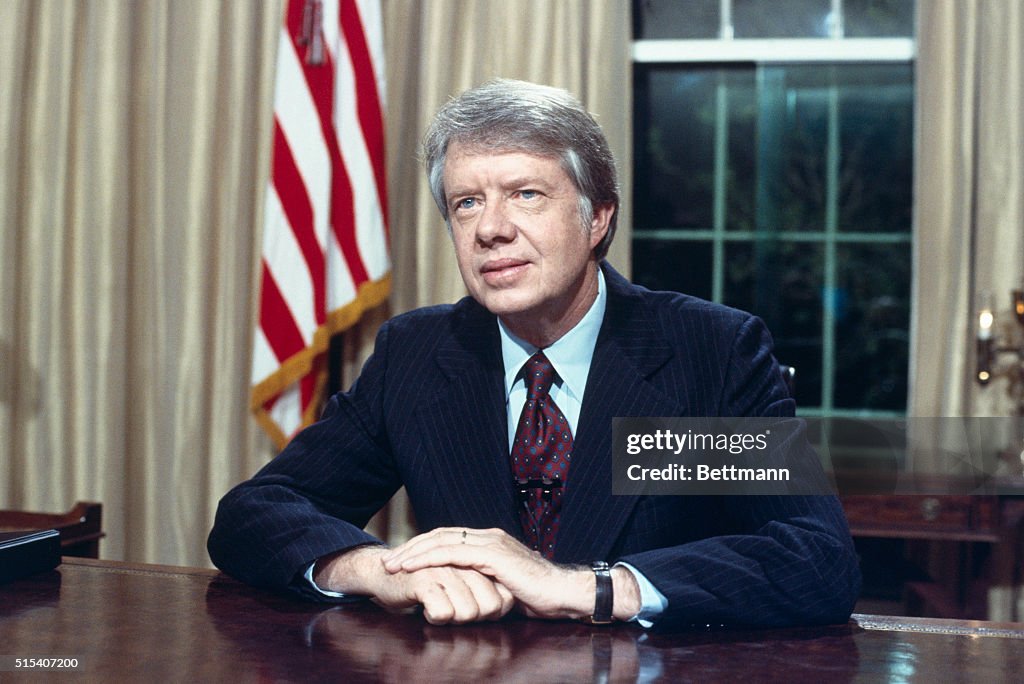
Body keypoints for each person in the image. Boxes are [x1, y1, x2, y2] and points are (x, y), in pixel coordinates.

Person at [208, 79, 860, 629]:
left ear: (598, 216)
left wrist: (589, 588)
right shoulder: (418, 352)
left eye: (526, 194)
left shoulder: (707, 352)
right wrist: (378, 569)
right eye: (467, 203)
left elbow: (815, 556)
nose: (491, 228)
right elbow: (253, 514)